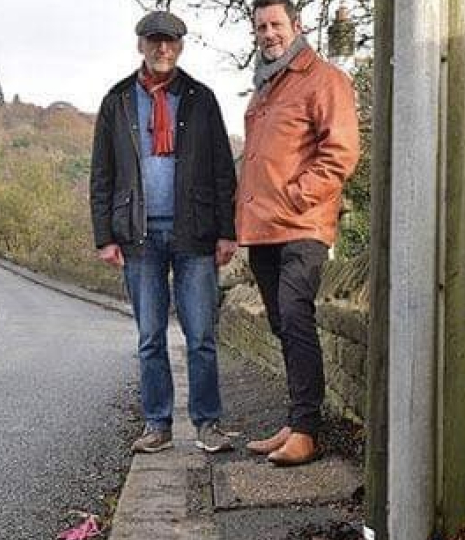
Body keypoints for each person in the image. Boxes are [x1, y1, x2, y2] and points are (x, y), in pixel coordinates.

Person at [90, 11, 238, 454]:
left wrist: (226, 232)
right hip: (137, 235)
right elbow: (103, 173)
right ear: (141, 45)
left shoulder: (201, 98)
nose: (163, 49)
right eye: (155, 41)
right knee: (150, 337)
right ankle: (157, 425)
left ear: (181, 46)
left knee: (202, 336)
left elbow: (222, 171)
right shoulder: (116, 101)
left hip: (194, 232)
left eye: (171, 42)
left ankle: (207, 424)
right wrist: (105, 236)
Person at [236, 0, 360, 466]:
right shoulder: (265, 86)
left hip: (302, 224)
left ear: (297, 26)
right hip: (262, 228)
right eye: (261, 27)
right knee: (279, 323)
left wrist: (295, 197)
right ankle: (295, 419)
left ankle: (308, 430)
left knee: (295, 315)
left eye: (276, 24)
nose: (269, 33)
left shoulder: (323, 78)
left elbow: (341, 151)